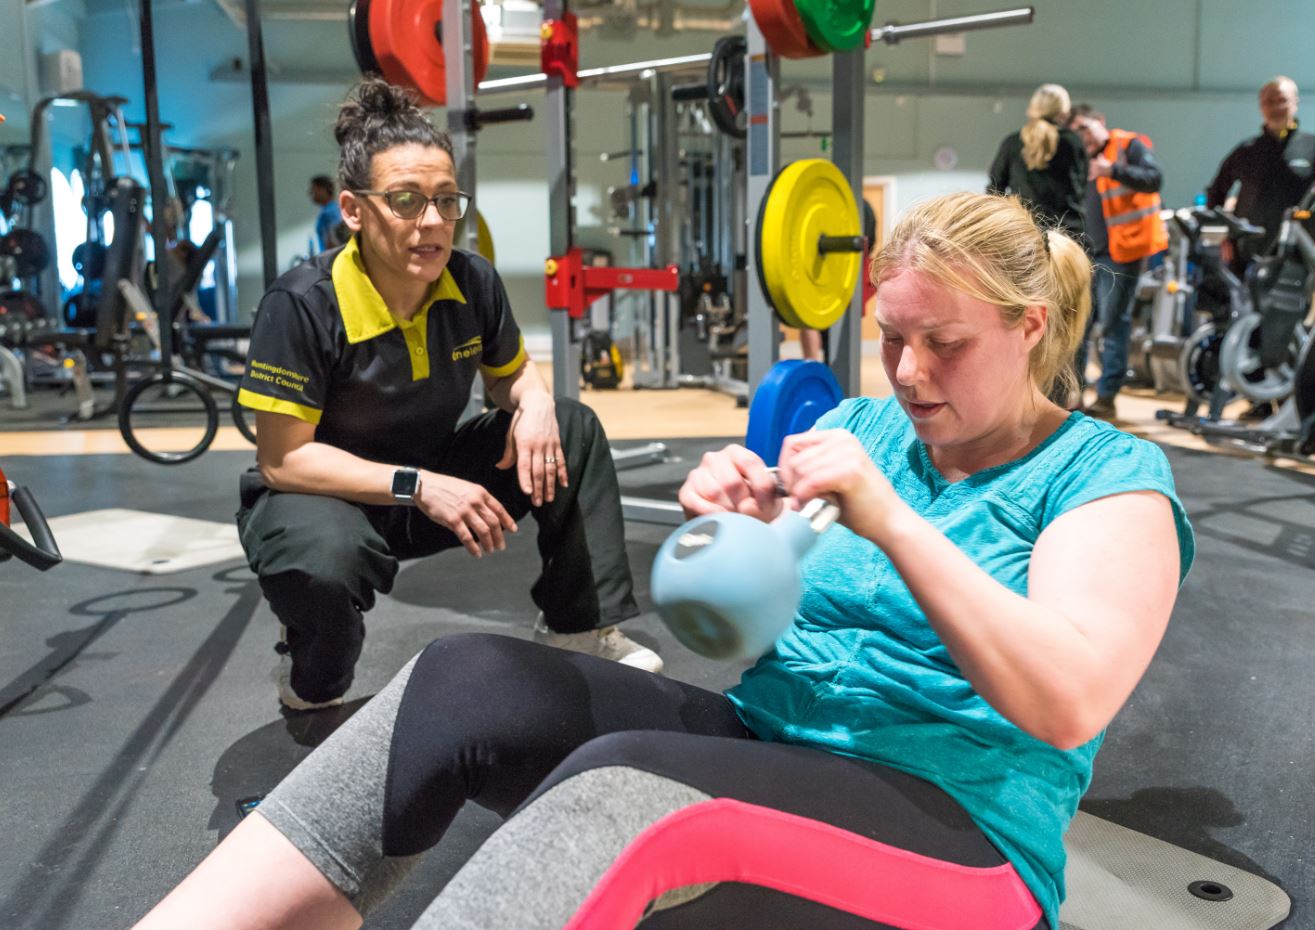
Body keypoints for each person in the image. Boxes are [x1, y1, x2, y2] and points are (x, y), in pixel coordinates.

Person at [134, 192, 1193, 930]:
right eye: (890, 337)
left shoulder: (1105, 477)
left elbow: (1067, 701)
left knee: (620, 788)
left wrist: (896, 527)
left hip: (963, 837)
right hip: (777, 750)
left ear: (1031, 325)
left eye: (944, 344)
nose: (908, 373)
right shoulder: (870, 433)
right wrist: (739, 532)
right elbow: (749, 630)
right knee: (467, 680)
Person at [235, 77, 661, 712]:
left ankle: (579, 623)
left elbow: (511, 374)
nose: (432, 222)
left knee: (570, 424)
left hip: (432, 484)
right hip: (322, 500)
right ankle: (309, 664)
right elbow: (282, 461)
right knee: (324, 576)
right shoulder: (300, 304)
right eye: (406, 201)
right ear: (353, 211)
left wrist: (537, 401)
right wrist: (420, 485)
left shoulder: (471, 281)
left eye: (444, 201)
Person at [1067, 103, 1167, 420]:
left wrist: (1112, 170)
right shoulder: (1080, 159)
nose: (1082, 137)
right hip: (1088, 254)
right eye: (1076, 132)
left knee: (1112, 323)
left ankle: (1107, 396)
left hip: (1123, 253)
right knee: (1080, 326)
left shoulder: (1128, 146)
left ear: (1100, 121)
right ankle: (1075, 394)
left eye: (1085, 127)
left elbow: (1154, 178)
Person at [1207, 76, 1315, 275]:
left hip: (1302, 252)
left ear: (1296, 102)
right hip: (1249, 252)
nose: (1276, 107)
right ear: (1261, 106)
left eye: (1282, 100)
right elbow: (1216, 193)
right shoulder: (1246, 151)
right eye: (1269, 102)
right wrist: (1222, 235)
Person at [988, 83, 1089, 245]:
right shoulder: (1071, 142)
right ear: (1064, 109)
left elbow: (994, 188)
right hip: (1066, 234)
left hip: (1023, 232)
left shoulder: (1012, 143)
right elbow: (1081, 187)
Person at [310, 174, 346, 253]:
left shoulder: (330, 212)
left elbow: (335, 239)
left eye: (314, 190)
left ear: (323, 189)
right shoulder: (328, 210)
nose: (311, 194)